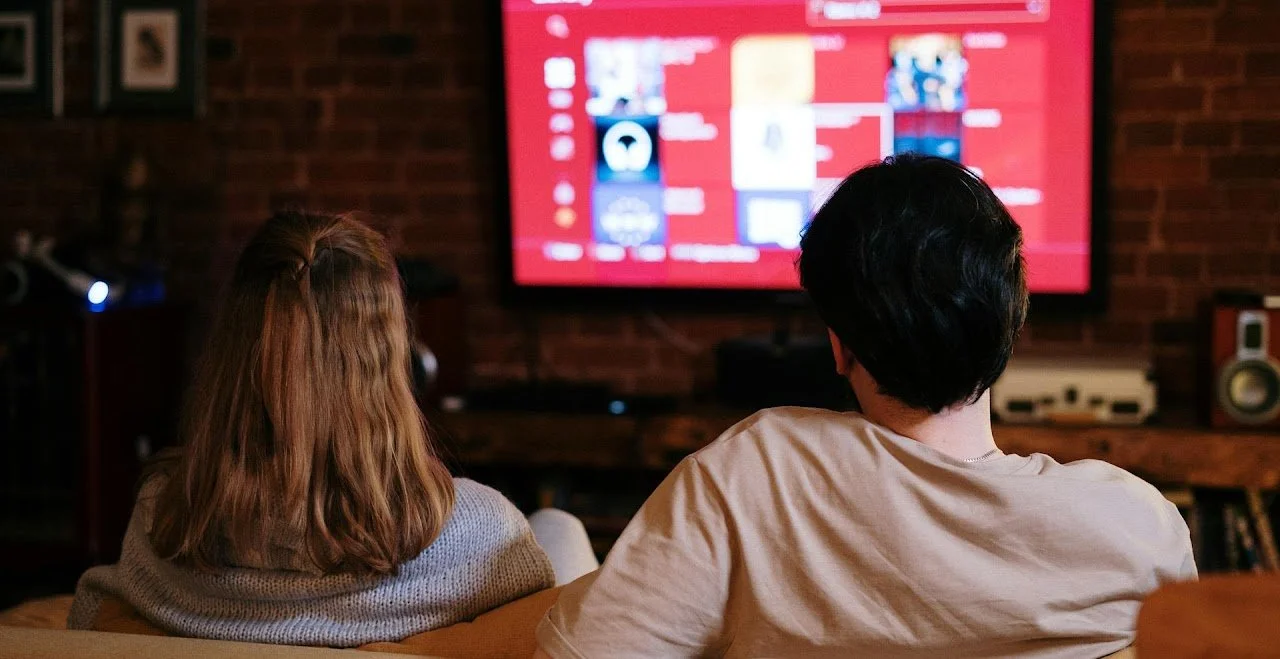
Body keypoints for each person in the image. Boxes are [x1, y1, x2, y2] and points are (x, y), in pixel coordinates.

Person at [535, 155, 1197, 658]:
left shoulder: (756, 471)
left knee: (553, 528)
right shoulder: (1143, 529)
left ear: (840, 346)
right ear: (1011, 322)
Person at [67, 211, 593, 647]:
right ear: (390, 360)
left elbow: (97, 611)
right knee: (559, 525)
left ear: (230, 356)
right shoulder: (479, 532)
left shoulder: (163, 514)